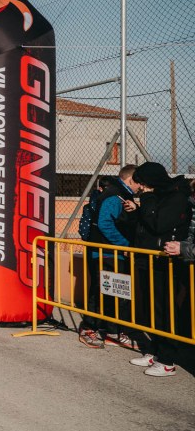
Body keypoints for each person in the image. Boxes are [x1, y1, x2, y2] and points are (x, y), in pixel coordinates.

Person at [127, 162, 191, 378]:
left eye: (143, 183)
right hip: (149, 261)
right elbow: (148, 222)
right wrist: (138, 210)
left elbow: (159, 224)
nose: (140, 187)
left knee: (165, 311)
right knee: (151, 309)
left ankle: (167, 360)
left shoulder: (176, 197)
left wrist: (146, 199)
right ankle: (155, 351)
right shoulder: (158, 197)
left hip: (166, 264)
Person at [78, 164, 138, 350]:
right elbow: (105, 224)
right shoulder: (114, 195)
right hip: (105, 253)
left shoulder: (121, 194)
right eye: (140, 182)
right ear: (131, 179)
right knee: (99, 290)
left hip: (112, 253)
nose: (141, 186)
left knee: (116, 293)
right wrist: (125, 244)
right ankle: (88, 328)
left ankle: (113, 331)